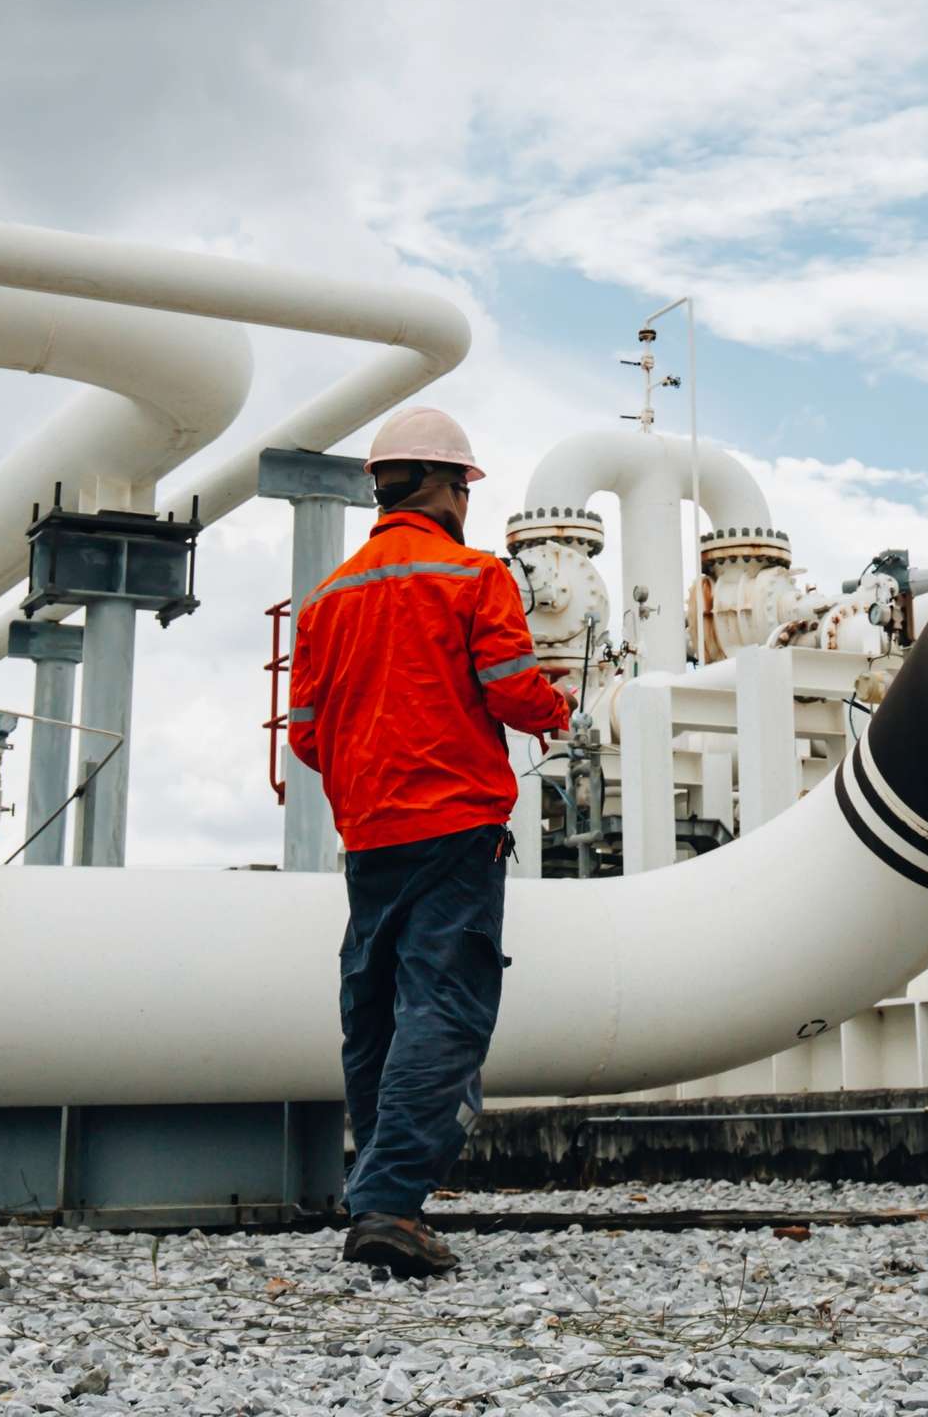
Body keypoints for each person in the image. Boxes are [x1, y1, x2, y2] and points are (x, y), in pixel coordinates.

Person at [282, 405, 571, 1279]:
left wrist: (366, 768)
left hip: (369, 833)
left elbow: (303, 731)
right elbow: (513, 687)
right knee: (443, 1003)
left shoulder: (328, 598)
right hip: (456, 822)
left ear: (381, 487)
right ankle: (388, 1205)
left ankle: (376, 1181)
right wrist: (555, 711)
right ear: (446, 486)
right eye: (465, 485)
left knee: (373, 1007)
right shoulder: (472, 576)